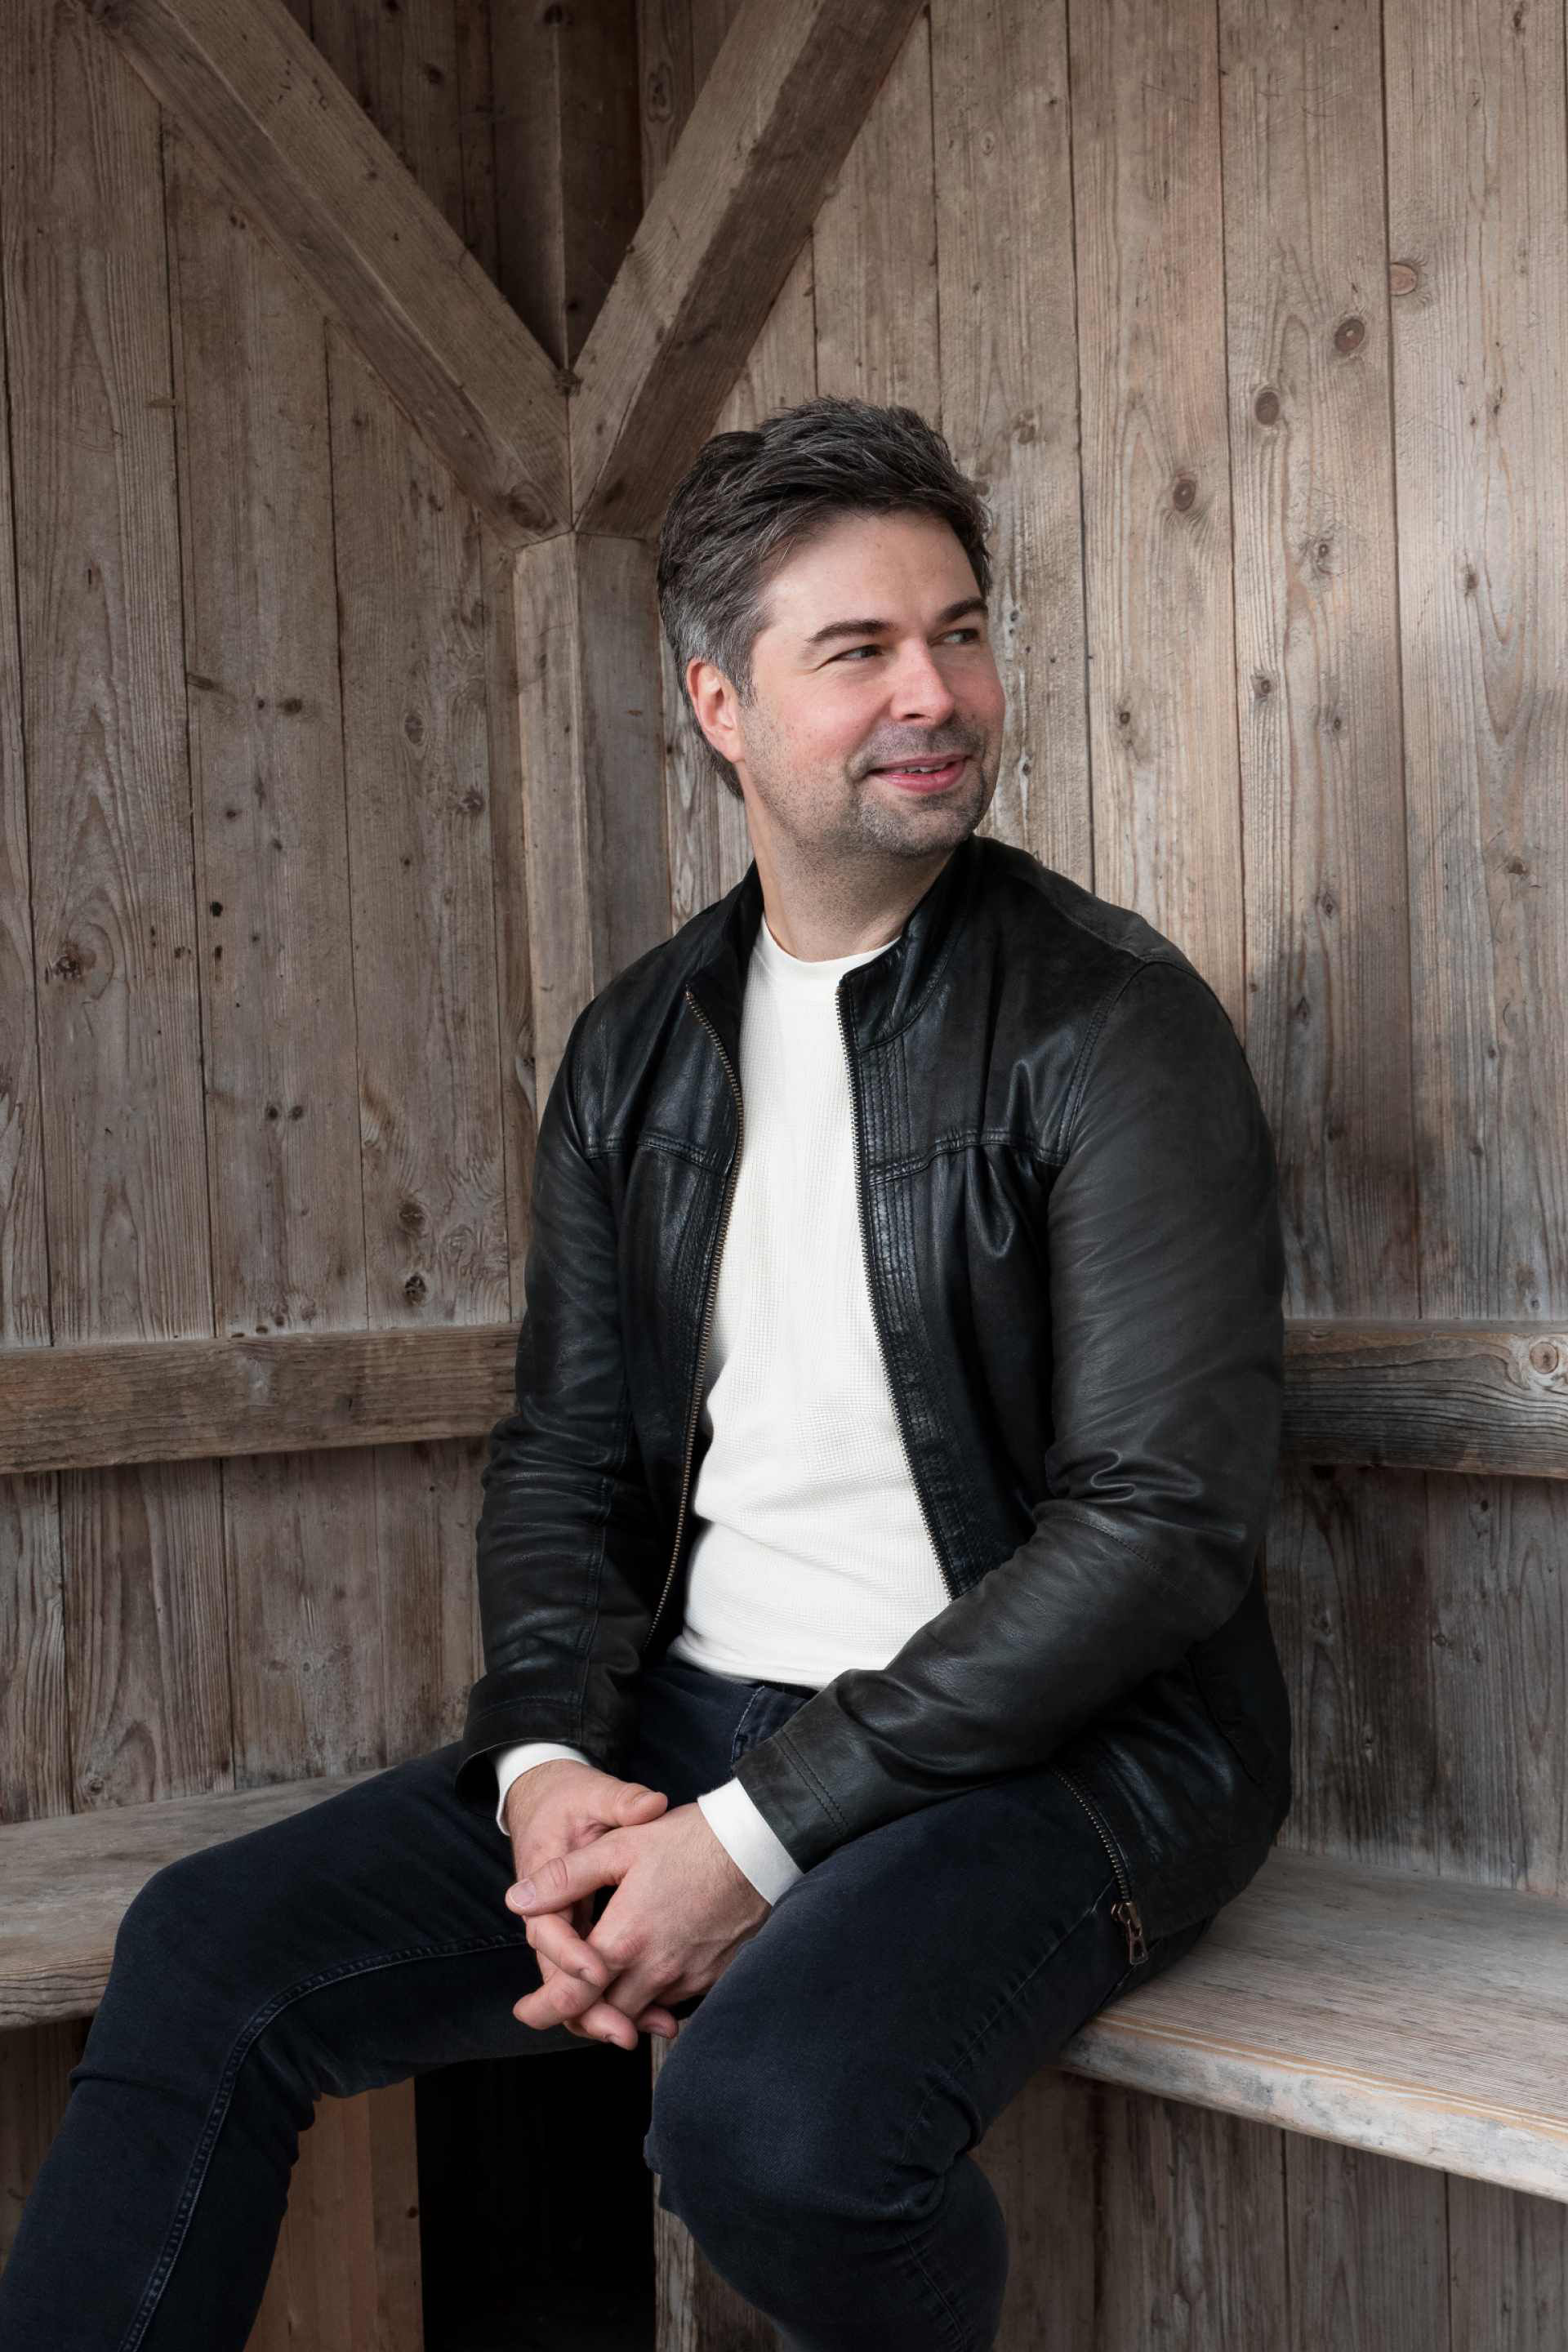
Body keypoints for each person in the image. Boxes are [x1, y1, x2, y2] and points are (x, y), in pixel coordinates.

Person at [0, 396, 1292, 2352]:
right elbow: (566, 1458)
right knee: (206, 1948)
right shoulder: (639, 1045)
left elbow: (1159, 1533)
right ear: (721, 704)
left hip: (1063, 1760)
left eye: (959, 632)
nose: (935, 694)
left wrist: (749, 1839)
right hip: (689, 1732)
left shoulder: (1111, 1026)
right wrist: (543, 1776)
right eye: (859, 649)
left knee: (772, 2132)